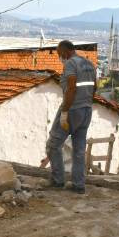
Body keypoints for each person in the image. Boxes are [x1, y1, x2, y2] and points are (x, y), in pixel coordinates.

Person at [45, 41, 96, 194]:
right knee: (79, 150)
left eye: (59, 53)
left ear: (65, 51)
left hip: (72, 109)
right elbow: (95, 88)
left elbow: (72, 88)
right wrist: (86, 102)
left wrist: (65, 112)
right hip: (87, 110)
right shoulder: (89, 64)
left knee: (53, 145)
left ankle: (58, 180)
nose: (60, 57)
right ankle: (78, 185)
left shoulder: (71, 64)